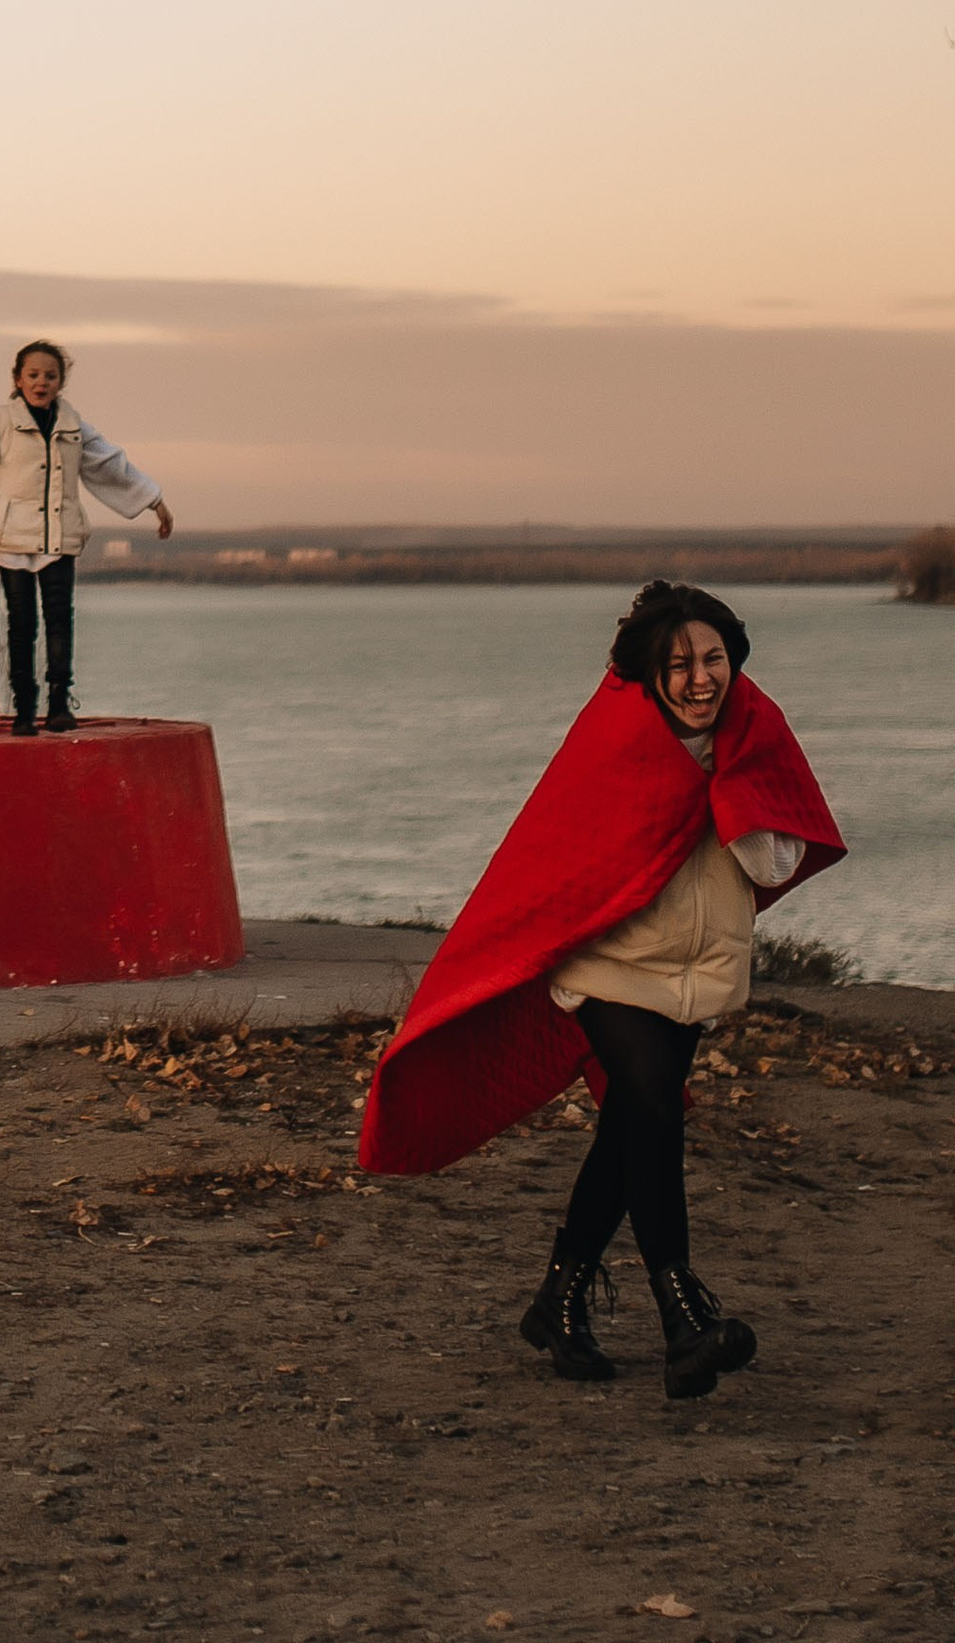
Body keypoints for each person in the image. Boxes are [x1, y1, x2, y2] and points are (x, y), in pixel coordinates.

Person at [359, 579, 843, 1400]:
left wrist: (736, 790)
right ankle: (683, 1316)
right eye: (679, 663)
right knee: (651, 1104)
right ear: (651, 670)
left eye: (713, 659)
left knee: (631, 1126)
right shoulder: (616, 738)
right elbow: (564, 844)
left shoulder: (756, 736)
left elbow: (775, 862)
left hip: (700, 968)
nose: (700, 678)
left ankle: (560, 1297)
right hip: (608, 960)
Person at [0, 340, 174, 733]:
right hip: (11, 538)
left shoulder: (73, 425)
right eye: (33, 375)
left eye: (50, 375)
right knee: (22, 623)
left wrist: (154, 500)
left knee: (60, 619)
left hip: (59, 536)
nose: (41, 382)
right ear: (17, 379)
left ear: (61, 382)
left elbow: (111, 464)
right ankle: (25, 709)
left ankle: (60, 702)